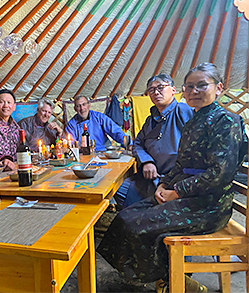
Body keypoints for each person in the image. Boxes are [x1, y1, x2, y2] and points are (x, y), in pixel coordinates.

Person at [97, 63, 246, 292]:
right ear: (183, 90)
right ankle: (170, 277)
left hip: (209, 205)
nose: (194, 91)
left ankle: (177, 281)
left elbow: (219, 173)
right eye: (190, 86)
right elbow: (182, 164)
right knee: (126, 216)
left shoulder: (226, 121)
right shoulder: (194, 120)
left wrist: (176, 191)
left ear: (219, 88)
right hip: (186, 195)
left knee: (139, 226)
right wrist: (165, 184)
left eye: (201, 85)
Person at [113, 74, 193, 209]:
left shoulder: (182, 111)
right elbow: (137, 143)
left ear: (173, 90)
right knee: (115, 187)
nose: (156, 92)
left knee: (131, 206)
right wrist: (147, 161)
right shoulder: (150, 120)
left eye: (160, 87)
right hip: (150, 177)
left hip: (174, 179)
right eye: (151, 90)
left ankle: (144, 210)